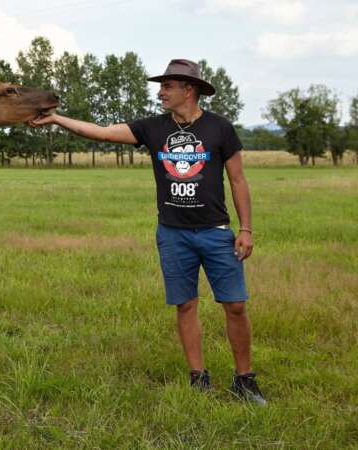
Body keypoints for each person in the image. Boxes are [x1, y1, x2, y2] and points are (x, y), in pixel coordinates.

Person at [30, 59, 265, 405]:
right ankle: (198, 378)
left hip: (217, 232)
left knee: (235, 306)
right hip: (173, 234)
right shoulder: (153, 128)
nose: (160, 92)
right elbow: (101, 131)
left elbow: (239, 180)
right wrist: (56, 119)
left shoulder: (220, 129)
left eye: (167, 86)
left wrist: (245, 229)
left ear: (189, 89)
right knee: (185, 305)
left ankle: (244, 381)